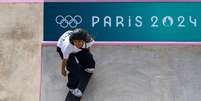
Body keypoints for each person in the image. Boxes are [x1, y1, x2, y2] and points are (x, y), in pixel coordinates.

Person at [56, 28, 95, 98]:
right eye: (75, 41)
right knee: (75, 70)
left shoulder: (89, 41)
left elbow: (87, 48)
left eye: (80, 41)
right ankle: (72, 87)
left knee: (88, 58)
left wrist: (87, 57)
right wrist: (63, 70)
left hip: (75, 49)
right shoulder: (67, 47)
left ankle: (86, 65)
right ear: (72, 41)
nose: (77, 43)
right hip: (62, 47)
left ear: (84, 40)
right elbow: (65, 60)